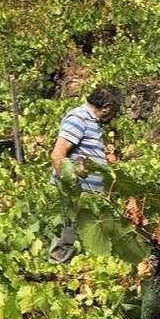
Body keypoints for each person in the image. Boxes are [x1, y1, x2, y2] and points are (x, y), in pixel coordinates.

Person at [48, 85, 121, 263]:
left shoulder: (91, 122)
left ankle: (74, 274)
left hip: (87, 195)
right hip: (75, 193)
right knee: (68, 233)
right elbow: (58, 154)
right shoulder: (78, 118)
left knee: (83, 236)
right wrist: (70, 189)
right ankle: (58, 271)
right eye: (114, 111)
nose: (113, 116)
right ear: (106, 107)